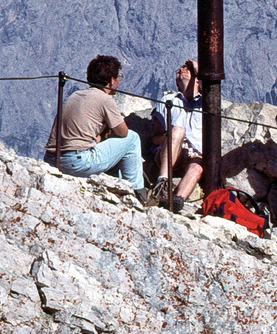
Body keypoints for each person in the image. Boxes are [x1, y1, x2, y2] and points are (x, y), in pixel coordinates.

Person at [46, 55, 146, 202]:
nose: (119, 80)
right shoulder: (105, 99)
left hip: (52, 159)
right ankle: (137, 193)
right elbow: (123, 132)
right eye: (118, 76)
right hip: (76, 162)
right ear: (112, 80)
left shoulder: (75, 95)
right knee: (132, 138)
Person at [153, 58, 205, 214]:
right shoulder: (167, 100)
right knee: (178, 131)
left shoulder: (205, 103)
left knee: (197, 167)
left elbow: (210, 89)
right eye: (180, 68)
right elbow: (155, 137)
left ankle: (177, 200)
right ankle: (163, 184)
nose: (182, 69)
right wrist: (172, 136)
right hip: (170, 152)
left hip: (193, 155)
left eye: (188, 68)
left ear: (197, 81)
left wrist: (198, 69)